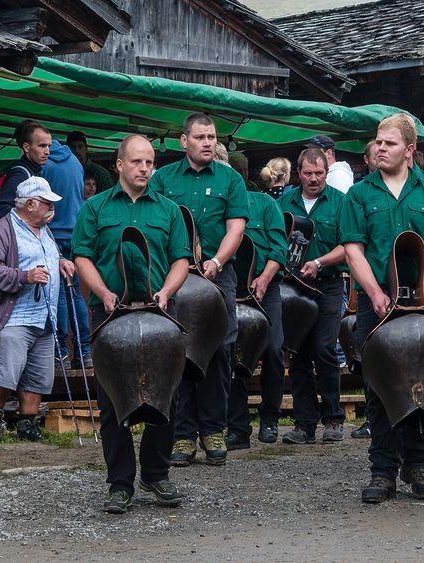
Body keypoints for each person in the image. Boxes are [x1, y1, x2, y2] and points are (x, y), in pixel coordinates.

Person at [73, 134, 192, 514]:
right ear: (119, 165)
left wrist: (167, 290)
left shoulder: (169, 210)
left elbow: (181, 260)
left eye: (150, 162)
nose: (145, 169)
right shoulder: (95, 208)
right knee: (112, 402)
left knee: (166, 399)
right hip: (110, 312)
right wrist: (104, 292)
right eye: (138, 162)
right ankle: (120, 483)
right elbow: (82, 257)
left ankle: (156, 475)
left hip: (159, 314)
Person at [338, 113, 424, 503]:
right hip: (377, 302)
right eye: (377, 142)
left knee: (423, 381)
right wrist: (372, 292)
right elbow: (354, 248)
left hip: (421, 302)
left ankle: (417, 462)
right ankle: (382, 469)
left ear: (409, 149)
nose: (379, 147)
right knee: (379, 385)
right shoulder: (360, 193)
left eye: (388, 142)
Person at [151, 113, 248, 467]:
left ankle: (213, 429)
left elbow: (235, 228)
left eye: (212, 137)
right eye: (201, 137)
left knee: (220, 349)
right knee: (178, 352)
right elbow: (155, 226)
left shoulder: (230, 178)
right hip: (174, 275)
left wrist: (217, 262)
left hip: (216, 274)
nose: (208, 142)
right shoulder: (162, 179)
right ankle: (182, 435)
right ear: (184, 141)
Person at [0, 177, 74, 441]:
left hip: (45, 317)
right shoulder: (3, 229)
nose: (52, 209)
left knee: (38, 374)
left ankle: (28, 425)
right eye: (47, 203)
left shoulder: (45, 229)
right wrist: (25, 276)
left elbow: (46, 256)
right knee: (6, 372)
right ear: (31, 204)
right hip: (15, 316)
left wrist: (62, 262)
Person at [277, 148, 348, 444]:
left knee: (324, 349)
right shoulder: (284, 202)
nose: (314, 179)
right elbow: (274, 239)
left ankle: (333, 419)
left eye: (319, 173)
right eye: (308, 173)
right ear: (298, 172)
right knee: (300, 354)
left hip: (329, 285)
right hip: (294, 289)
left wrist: (320, 262)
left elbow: (350, 245)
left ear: (326, 173)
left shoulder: (341, 202)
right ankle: (304, 424)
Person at [226, 155, 288, 449]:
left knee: (274, 351)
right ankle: (238, 427)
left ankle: (270, 417)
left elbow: (279, 248)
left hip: (266, 288)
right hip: (230, 289)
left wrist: (264, 279)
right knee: (232, 355)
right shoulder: (219, 209)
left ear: (246, 173)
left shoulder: (266, 204)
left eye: (239, 171)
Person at [42, 138, 92, 370]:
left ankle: (60, 352)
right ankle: (84, 352)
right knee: (77, 295)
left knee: (60, 295)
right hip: (76, 233)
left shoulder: (45, 165)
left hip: (53, 234)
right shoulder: (74, 161)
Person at [0, 120, 52, 221]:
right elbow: (0, 208)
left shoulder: (34, 171)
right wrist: (30, 220)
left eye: (49, 146)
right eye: (42, 146)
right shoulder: (20, 174)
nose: (47, 151)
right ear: (26, 147)